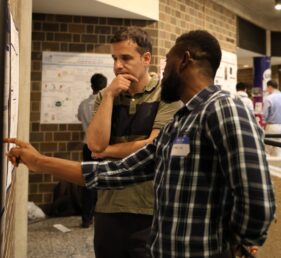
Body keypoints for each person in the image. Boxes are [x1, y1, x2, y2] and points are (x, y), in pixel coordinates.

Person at [5, 30, 276, 258]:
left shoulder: (223, 108)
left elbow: (258, 198)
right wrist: (39, 162)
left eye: (166, 61)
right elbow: (114, 172)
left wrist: (240, 242)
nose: (163, 69)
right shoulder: (180, 123)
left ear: (184, 60)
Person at [86, 27, 181, 258]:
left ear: (146, 58)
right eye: (114, 58)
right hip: (108, 205)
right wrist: (109, 95)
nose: (118, 65)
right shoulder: (105, 96)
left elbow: (155, 146)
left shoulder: (166, 94)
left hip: (150, 208)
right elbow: (94, 145)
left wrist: (108, 150)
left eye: (126, 58)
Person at [77, 73, 107, 227]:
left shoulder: (83, 104)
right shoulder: (106, 104)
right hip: (103, 147)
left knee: (88, 181)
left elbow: (80, 118)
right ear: (105, 87)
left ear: (92, 86)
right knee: (104, 181)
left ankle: (86, 218)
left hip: (87, 145)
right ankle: (102, 217)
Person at [263, 79, 281, 156]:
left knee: (267, 150)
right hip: (280, 127)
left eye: (267, 88)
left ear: (270, 87)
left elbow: (265, 114)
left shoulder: (268, 98)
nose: (266, 90)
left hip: (272, 126)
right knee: (278, 151)